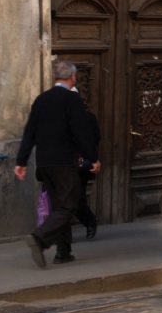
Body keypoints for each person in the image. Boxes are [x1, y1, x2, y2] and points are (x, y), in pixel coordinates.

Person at [14, 60, 100, 267]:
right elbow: (80, 133)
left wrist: (22, 161)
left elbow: (29, 133)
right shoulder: (72, 99)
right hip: (64, 162)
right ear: (73, 77)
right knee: (69, 205)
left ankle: (63, 252)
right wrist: (93, 158)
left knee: (57, 208)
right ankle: (39, 238)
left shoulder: (41, 99)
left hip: (44, 163)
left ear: (55, 78)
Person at [74, 95, 99, 241]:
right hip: (62, 163)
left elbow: (94, 138)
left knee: (78, 199)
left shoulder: (88, 118)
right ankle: (63, 238)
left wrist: (87, 155)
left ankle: (90, 220)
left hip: (80, 164)